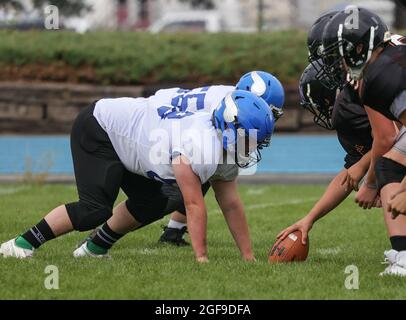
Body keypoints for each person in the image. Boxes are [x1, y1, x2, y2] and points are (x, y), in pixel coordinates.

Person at [0, 87, 275, 263]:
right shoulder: (200, 143)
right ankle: (20, 244)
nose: (252, 145)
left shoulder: (223, 144)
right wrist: (201, 258)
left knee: (154, 201)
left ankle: (93, 250)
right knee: (94, 209)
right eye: (249, 138)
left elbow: (230, 203)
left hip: (136, 146)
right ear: (229, 127)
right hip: (102, 128)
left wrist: (248, 257)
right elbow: (194, 205)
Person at [320, 7, 406, 276]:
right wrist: (370, 181)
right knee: (388, 165)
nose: (338, 62)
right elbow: (385, 139)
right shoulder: (390, 55)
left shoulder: (380, 75)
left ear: (359, 48)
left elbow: (385, 137)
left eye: (341, 53)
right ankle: (403, 253)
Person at [157, 71, 285, 246]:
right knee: (162, 198)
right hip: (161, 125)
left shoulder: (234, 102)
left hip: (175, 124)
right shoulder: (229, 110)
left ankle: (174, 230)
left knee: (207, 174)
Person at [277, 62, 375, 245]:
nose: (320, 110)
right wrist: (310, 218)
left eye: (319, 104)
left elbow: (391, 137)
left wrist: (368, 176)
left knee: (388, 177)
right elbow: (348, 175)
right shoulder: (357, 101)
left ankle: (401, 255)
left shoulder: (358, 103)